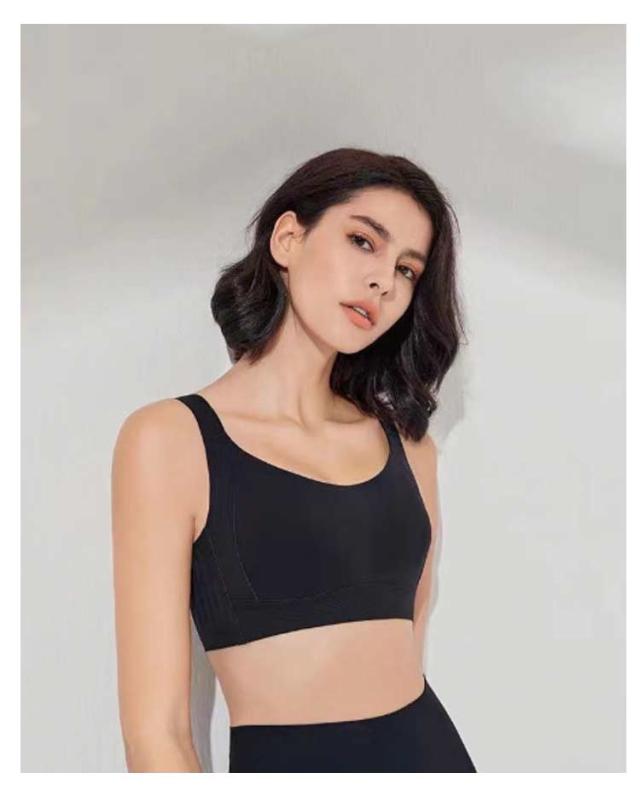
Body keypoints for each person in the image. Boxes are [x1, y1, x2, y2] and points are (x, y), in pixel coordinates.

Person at [111, 147, 476, 772]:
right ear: (288, 238)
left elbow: (409, 644)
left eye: (407, 270)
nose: (384, 282)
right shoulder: (169, 440)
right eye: (363, 241)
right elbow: (156, 734)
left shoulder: (409, 447)